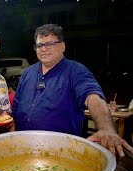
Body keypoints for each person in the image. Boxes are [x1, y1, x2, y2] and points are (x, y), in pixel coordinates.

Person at [12, 24, 132, 157]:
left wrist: (106, 129)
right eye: (39, 45)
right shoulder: (28, 72)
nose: (43, 49)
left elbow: (93, 96)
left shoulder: (76, 71)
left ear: (62, 46)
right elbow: (17, 104)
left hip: (61, 151)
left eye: (50, 44)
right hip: (22, 145)